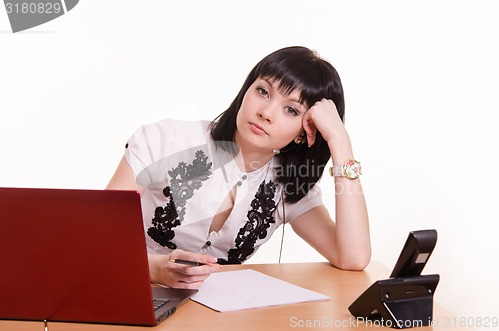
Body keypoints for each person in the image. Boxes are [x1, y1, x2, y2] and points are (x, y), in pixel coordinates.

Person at [106, 46, 370, 289]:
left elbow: (353, 257)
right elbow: (95, 238)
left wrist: (339, 141)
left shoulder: (290, 185)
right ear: (246, 90)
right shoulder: (165, 140)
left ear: (305, 131)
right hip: (122, 289)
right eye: (263, 91)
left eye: (291, 110)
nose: (266, 112)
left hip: (214, 318)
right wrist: (154, 269)